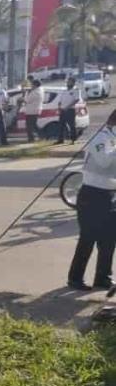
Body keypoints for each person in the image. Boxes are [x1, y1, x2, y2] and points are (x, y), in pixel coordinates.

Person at [67, 109, 116, 291]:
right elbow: (104, 161)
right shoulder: (99, 138)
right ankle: (75, 278)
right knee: (88, 239)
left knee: (109, 240)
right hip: (92, 196)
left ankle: (103, 278)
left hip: (110, 195)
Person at [56, 77, 82, 144]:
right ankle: (60, 140)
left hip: (70, 110)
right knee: (61, 125)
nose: (68, 83)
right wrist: (59, 107)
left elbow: (76, 99)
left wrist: (68, 107)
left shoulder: (75, 90)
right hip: (62, 110)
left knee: (71, 125)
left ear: (73, 83)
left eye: (69, 82)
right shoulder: (64, 91)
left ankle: (73, 140)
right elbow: (60, 100)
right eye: (67, 81)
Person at [22, 77, 43, 143]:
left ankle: (31, 139)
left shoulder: (35, 92)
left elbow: (27, 100)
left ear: (35, 85)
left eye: (32, 84)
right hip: (33, 110)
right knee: (33, 125)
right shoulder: (39, 90)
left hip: (32, 111)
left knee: (29, 126)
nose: (31, 86)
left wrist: (25, 93)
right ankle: (42, 136)